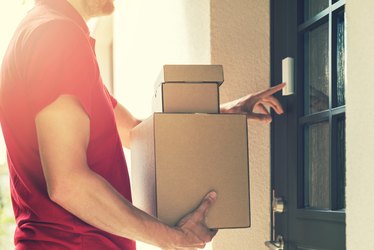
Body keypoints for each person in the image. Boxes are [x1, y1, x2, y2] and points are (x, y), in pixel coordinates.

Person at [0, 0, 285, 249]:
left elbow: (135, 132)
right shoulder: (58, 36)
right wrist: (173, 238)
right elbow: (68, 183)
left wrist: (221, 114)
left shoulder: (45, 33)